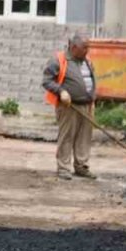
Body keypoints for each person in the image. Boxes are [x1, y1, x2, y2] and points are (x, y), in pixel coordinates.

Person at [41, 35, 97, 180]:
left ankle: (81, 166)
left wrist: (92, 98)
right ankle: (64, 168)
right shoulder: (58, 60)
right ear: (73, 48)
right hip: (68, 106)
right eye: (85, 47)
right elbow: (47, 81)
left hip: (86, 105)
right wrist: (61, 92)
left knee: (84, 137)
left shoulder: (87, 61)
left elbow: (91, 80)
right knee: (67, 136)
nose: (87, 50)